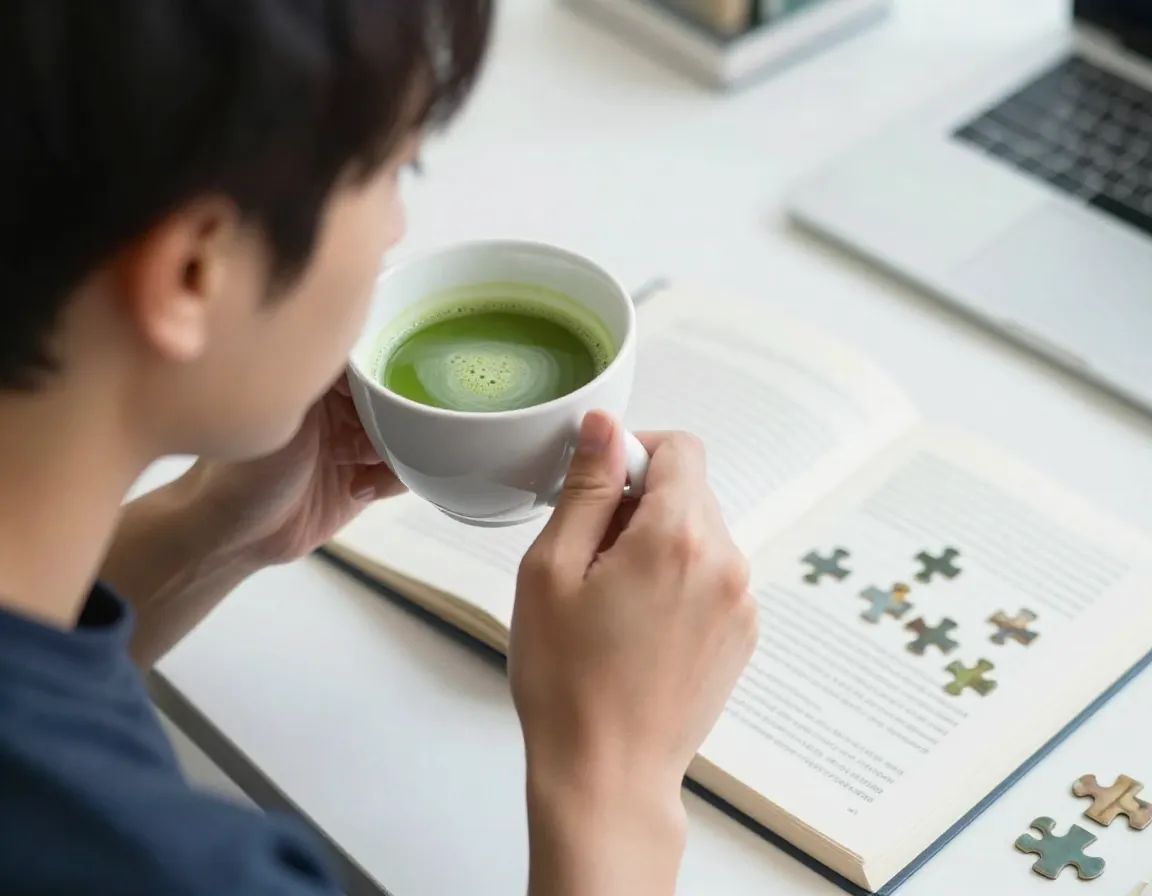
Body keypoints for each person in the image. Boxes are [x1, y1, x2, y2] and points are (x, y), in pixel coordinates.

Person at [0, 2, 757, 894]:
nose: (398, 232)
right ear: (196, 271)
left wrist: (207, 530)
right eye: (398, 170)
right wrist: (614, 785)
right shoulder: (181, 869)